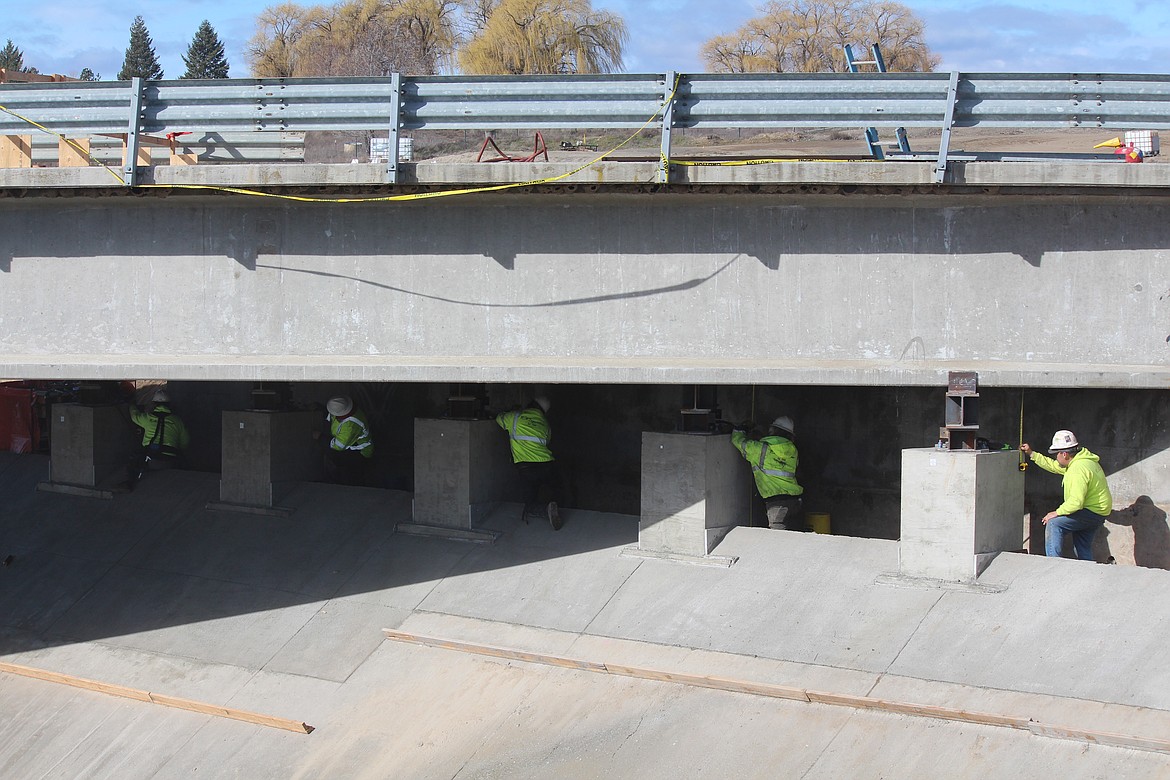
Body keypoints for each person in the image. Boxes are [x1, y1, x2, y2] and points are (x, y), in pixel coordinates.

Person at [1020, 429, 1113, 560]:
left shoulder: (1077, 470)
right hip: (1097, 512)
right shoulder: (1082, 460)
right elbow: (1053, 466)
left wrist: (1056, 512)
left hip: (1091, 512)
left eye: (1056, 454)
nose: (1055, 458)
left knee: (1054, 524)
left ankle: (1054, 565)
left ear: (1064, 454)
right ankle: (1088, 574)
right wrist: (1031, 454)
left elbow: (1076, 502)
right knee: (1082, 546)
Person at [496, 396, 562, 530]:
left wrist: (510, 411)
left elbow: (499, 418)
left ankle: (544, 510)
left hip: (527, 467)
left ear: (530, 404)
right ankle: (554, 505)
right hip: (547, 464)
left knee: (530, 499)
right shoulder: (545, 424)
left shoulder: (515, 417)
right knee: (553, 487)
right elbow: (547, 440)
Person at [731, 415, 805, 531]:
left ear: (772, 430)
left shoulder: (761, 449)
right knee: (794, 538)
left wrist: (740, 430)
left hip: (777, 504)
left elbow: (739, 442)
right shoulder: (793, 451)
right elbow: (775, 453)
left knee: (777, 540)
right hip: (796, 501)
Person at [128, 389, 190, 486]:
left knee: (134, 458)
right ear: (169, 404)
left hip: (151, 461)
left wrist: (131, 405)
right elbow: (185, 442)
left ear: (154, 404)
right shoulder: (177, 421)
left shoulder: (147, 418)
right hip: (171, 461)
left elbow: (134, 416)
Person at [324, 395, 374, 486]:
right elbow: (331, 415)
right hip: (350, 446)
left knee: (349, 476)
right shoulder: (343, 408)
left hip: (360, 451)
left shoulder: (350, 425)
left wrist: (320, 437)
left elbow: (339, 446)